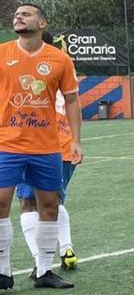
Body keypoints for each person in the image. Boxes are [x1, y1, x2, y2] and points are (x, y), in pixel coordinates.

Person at [0, 3, 83, 290]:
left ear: (42, 23)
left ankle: (45, 271)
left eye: (26, 14)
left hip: (46, 146)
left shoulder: (59, 60)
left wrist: (75, 140)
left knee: (49, 205)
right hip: (6, 143)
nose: (19, 17)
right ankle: (3, 272)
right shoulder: (2, 53)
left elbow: (72, 101)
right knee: (1, 202)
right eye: (16, 15)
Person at [17, 91, 81, 274]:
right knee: (53, 200)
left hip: (33, 145)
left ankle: (40, 261)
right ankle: (67, 250)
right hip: (65, 145)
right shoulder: (62, 68)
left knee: (28, 204)